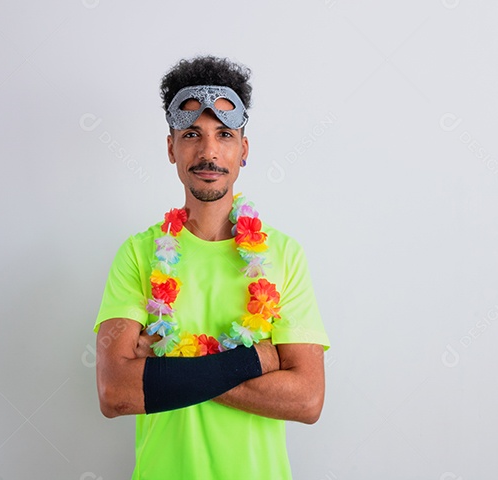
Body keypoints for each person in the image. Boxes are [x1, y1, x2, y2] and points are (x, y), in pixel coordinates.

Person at [93, 55, 331, 480]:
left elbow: (307, 399)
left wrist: (164, 372)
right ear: (171, 148)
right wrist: (256, 360)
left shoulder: (284, 254)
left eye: (224, 134)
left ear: (244, 149)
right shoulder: (138, 254)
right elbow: (115, 393)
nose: (208, 152)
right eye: (191, 135)